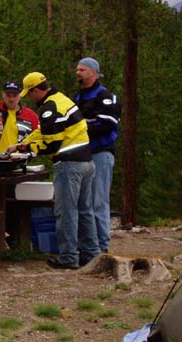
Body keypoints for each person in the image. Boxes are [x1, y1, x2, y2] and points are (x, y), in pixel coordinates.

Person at [7, 72, 101, 269]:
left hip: (69, 164)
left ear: (35, 90)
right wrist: (23, 144)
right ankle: (91, 255)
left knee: (66, 212)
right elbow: (44, 131)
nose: (30, 99)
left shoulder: (50, 108)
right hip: (86, 161)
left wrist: (29, 151)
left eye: (29, 93)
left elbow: (52, 144)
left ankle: (68, 257)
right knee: (85, 210)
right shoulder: (61, 100)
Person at [73, 57, 121, 253]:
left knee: (98, 200)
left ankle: (102, 246)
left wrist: (81, 129)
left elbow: (108, 124)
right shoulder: (78, 97)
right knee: (83, 201)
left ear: (94, 72)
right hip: (82, 155)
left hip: (100, 154)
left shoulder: (105, 96)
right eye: (77, 69)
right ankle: (88, 245)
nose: (78, 73)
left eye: (82, 70)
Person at [0, 81, 39, 153]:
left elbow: (38, 138)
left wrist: (30, 155)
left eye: (15, 95)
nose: (11, 99)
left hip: (19, 160)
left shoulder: (31, 116)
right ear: (3, 94)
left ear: (20, 95)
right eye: (8, 95)